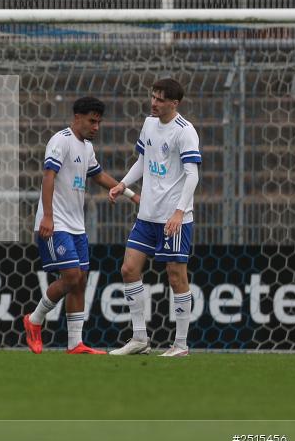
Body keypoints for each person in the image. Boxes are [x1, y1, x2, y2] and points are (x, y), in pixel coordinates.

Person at [22, 97, 140, 355]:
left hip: (76, 225)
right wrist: (48, 216)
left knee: (80, 280)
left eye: (99, 122)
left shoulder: (86, 147)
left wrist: (130, 194)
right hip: (56, 223)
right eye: (91, 121)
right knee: (71, 276)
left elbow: (99, 175)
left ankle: (75, 343)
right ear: (77, 117)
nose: (96, 127)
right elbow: (48, 177)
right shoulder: (61, 140)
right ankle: (34, 319)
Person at [109, 78, 201, 357]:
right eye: (153, 97)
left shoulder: (185, 131)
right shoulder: (149, 124)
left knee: (176, 276)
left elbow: (192, 175)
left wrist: (179, 212)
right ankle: (139, 338)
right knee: (129, 269)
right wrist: (123, 184)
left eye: (160, 99)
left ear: (174, 103)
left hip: (173, 218)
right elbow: (143, 161)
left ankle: (181, 345)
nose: (154, 103)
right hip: (147, 215)